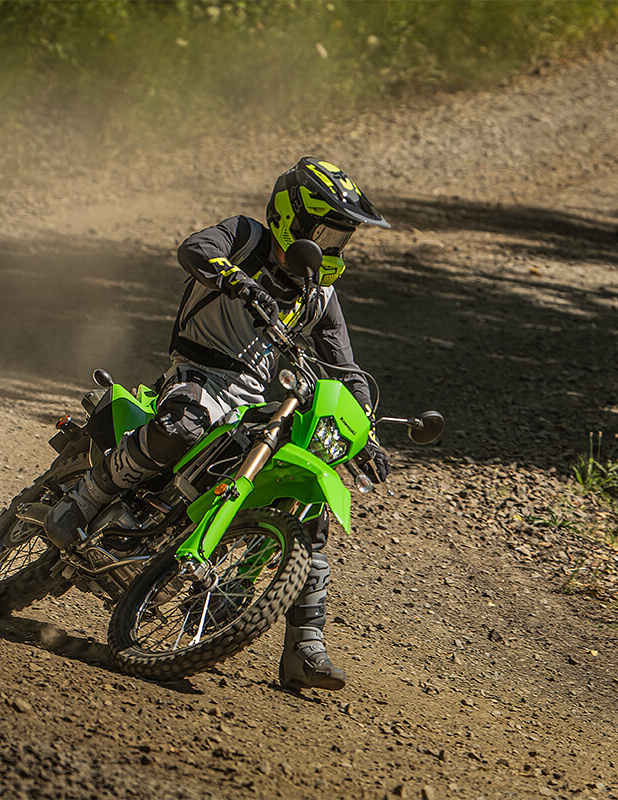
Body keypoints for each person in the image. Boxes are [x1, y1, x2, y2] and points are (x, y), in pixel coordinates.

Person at [44, 156, 391, 691]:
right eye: (325, 232)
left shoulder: (321, 292)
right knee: (185, 425)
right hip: (199, 371)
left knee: (309, 504)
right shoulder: (247, 237)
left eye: (341, 238)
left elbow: (346, 368)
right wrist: (231, 275)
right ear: (291, 219)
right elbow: (194, 248)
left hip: (256, 402)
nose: (333, 248)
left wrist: (365, 429)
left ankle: (304, 646)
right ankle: (86, 498)